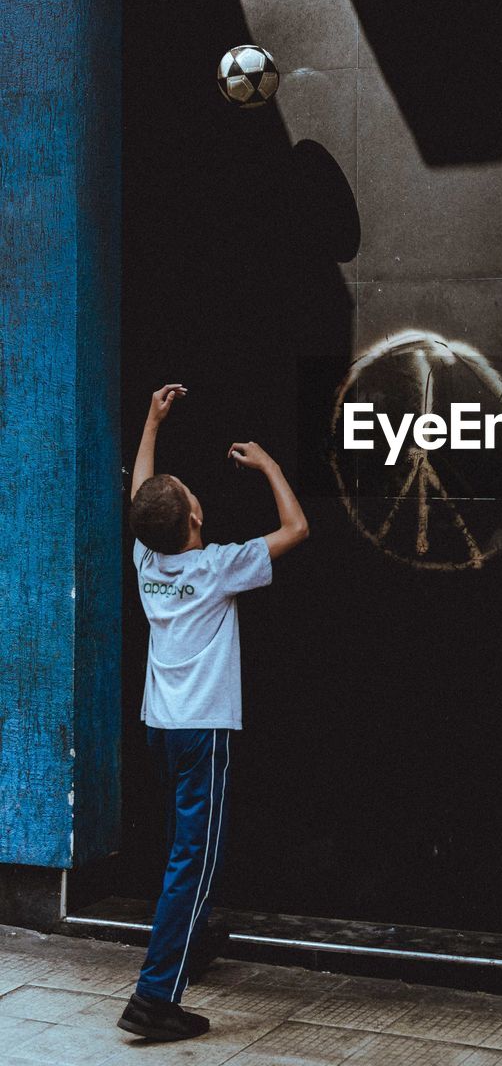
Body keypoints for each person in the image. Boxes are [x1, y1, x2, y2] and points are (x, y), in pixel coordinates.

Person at [117, 382, 308, 1042]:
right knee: (193, 861)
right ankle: (154, 997)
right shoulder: (221, 567)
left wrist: (150, 421)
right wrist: (272, 467)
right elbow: (297, 529)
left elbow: (142, 495)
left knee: (179, 849)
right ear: (194, 518)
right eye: (187, 492)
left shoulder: (148, 559)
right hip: (203, 730)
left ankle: (191, 943)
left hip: (161, 727)